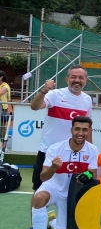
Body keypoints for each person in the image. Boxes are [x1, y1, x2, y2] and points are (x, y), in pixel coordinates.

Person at [27, 116, 98, 229]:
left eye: (85, 130)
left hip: (71, 195)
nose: (80, 133)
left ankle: (51, 221)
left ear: (89, 131)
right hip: (53, 188)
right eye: (77, 129)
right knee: (39, 197)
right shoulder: (55, 148)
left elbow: (93, 174)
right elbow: (43, 178)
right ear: (71, 130)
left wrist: (87, 175)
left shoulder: (92, 149)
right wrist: (53, 167)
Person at [29, 66, 92, 194]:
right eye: (73, 77)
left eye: (81, 78)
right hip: (49, 151)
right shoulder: (54, 94)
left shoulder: (87, 99)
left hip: (74, 153)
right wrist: (43, 91)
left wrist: (89, 149)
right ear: (67, 79)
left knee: (73, 190)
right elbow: (34, 107)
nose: (77, 80)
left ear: (86, 80)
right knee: (39, 191)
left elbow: (88, 128)